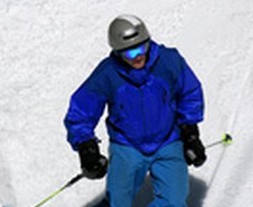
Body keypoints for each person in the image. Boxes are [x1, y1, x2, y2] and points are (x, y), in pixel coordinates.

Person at [64, 14, 207, 207]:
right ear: (118, 52)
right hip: (127, 145)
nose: (138, 56)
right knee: (117, 202)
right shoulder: (108, 74)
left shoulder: (169, 61)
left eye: (142, 48)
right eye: (130, 53)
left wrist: (190, 133)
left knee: (174, 202)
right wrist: (86, 147)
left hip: (168, 141)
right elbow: (81, 111)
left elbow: (190, 92)